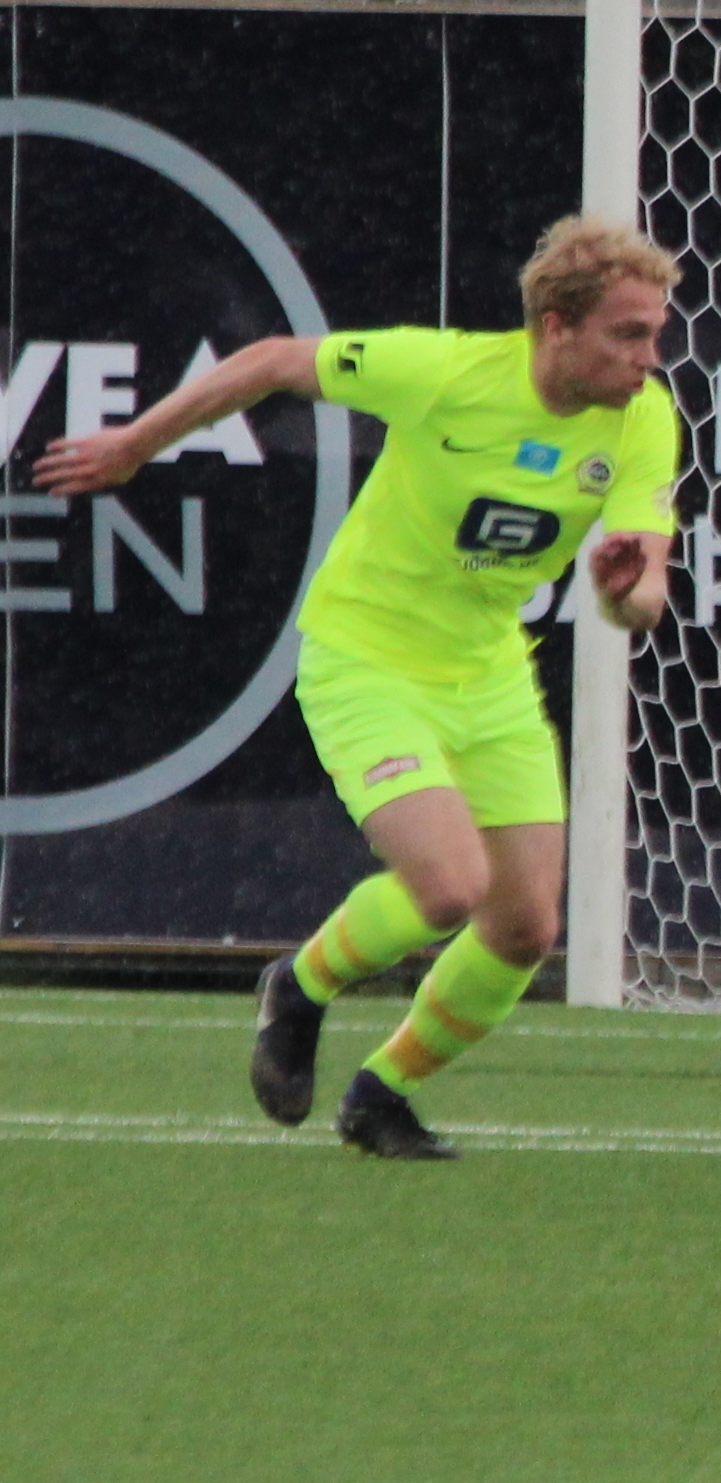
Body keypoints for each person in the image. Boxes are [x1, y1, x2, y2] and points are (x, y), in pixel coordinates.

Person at [35, 217, 683, 1160]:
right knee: (450, 887)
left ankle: (381, 1095)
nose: (648, 357)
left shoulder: (644, 418)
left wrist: (628, 590)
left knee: (523, 927)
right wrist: (137, 444)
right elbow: (270, 361)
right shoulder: (446, 372)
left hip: (488, 675)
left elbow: (641, 596)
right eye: (628, 334)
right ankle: (298, 986)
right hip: (367, 659)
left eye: (655, 334)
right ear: (557, 327)